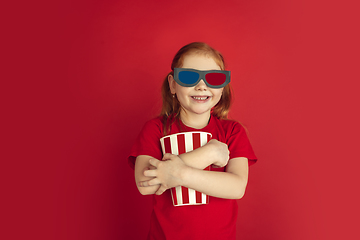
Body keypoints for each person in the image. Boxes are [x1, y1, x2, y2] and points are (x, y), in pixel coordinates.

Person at [128, 42, 257, 240]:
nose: (202, 86)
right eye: (189, 77)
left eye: (214, 78)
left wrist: (178, 173)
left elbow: (236, 187)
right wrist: (209, 153)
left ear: (222, 87)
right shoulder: (155, 129)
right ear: (172, 84)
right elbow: (146, 183)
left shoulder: (233, 132)